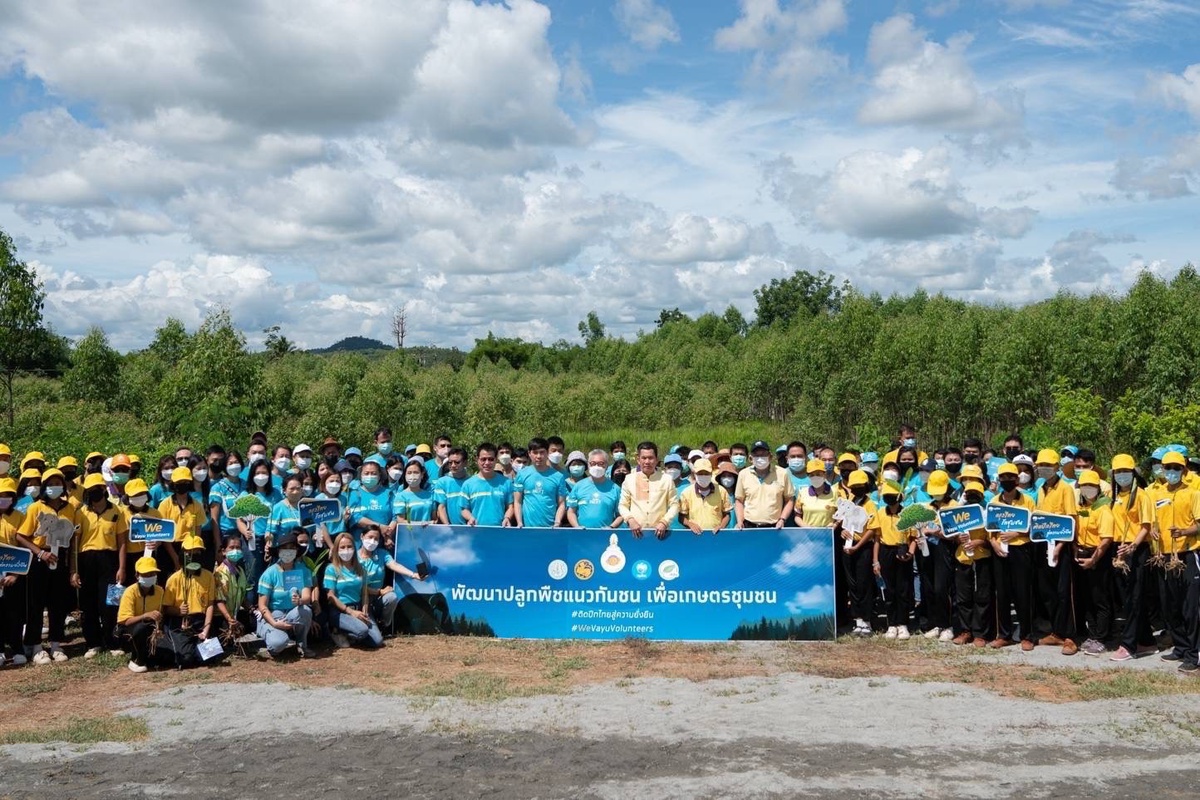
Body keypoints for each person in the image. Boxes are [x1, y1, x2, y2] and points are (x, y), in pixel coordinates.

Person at [15, 468, 79, 664]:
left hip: (60, 559)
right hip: (39, 560)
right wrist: (40, 552)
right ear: (44, 487)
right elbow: (21, 535)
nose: (55, 487)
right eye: (50, 484)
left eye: (58, 483)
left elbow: (74, 539)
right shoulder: (35, 508)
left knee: (57, 603)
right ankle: (35, 646)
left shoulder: (70, 509)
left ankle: (56, 644)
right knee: (36, 604)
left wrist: (72, 569)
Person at [1149, 450, 1200, 672]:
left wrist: (1184, 531)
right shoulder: (1157, 493)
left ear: (1184, 470)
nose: (1171, 472)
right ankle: (1180, 646)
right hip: (1164, 556)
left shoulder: (1194, 493)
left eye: (1176, 468)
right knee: (1170, 605)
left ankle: (1194, 653)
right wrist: (1152, 530)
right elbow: (1152, 521)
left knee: (1190, 607)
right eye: (1167, 467)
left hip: (1187, 554)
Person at [1108, 454, 1157, 662]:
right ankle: (1146, 641)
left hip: (1136, 549)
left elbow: (1146, 526)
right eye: (1117, 472)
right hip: (1118, 550)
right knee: (1127, 597)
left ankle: (1128, 644)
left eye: (1125, 472)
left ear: (1133, 473)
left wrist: (1132, 547)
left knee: (1134, 598)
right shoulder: (1114, 495)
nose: (1121, 475)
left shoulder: (1142, 495)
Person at [74, 473, 128, 658]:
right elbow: (75, 543)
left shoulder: (116, 511)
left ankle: (113, 641)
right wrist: (74, 570)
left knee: (111, 603)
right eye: (91, 490)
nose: (95, 492)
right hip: (86, 560)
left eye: (98, 488)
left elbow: (121, 542)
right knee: (88, 604)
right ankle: (93, 643)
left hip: (110, 560)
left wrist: (122, 567)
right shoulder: (81, 512)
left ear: (105, 489)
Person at [1035, 448, 1081, 656]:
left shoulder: (1065, 488)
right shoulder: (1041, 488)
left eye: (1048, 465)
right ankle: (1056, 631)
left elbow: (1071, 520)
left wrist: (1061, 546)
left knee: (1065, 592)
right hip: (1044, 544)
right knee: (1048, 591)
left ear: (1057, 467)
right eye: (1041, 465)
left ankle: (1071, 636)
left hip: (1062, 547)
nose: (1044, 469)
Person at [988, 463, 1037, 650]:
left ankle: (1027, 635)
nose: (1007, 480)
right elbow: (989, 531)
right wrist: (994, 544)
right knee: (1002, 593)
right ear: (999, 480)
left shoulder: (1028, 501)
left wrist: (1017, 533)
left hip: (1021, 550)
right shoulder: (993, 503)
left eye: (1011, 477)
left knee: (1023, 593)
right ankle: (1004, 635)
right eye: (1003, 477)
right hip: (999, 551)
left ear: (1017, 479)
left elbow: (1034, 527)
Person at [162, 535, 225, 665]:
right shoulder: (174, 579)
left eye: (197, 552)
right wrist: (178, 611)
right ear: (182, 554)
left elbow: (210, 605)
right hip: (180, 622)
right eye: (189, 552)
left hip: (201, 621)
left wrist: (206, 629)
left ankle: (198, 644)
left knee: (210, 657)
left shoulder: (208, 576)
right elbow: (166, 608)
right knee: (185, 659)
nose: (193, 555)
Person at [950, 471, 994, 647]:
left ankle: (980, 633)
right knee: (963, 598)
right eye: (970, 494)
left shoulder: (987, 511)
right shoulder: (958, 511)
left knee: (982, 597)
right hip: (962, 558)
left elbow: (993, 537)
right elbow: (949, 531)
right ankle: (965, 630)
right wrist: (956, 538)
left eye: (976, 494)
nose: (973, 496)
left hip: (982, 558)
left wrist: (980, 541)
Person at [1074, 470, 1115, 657]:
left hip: (1098, 555)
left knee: (1100, 598)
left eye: (1091, 486)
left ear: (1098, 488)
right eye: (1084, 486)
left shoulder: (1103, 509)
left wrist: (1094, 559)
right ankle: (1092, 634)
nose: (1087, 490)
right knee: (1087, 597)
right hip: (1081, 552)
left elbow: (1106, 540)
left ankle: (1102, 638)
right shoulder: (1080, 508)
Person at [256, 533, 315, 659]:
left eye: (292, 548)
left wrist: (299, 601)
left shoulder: (303, 570)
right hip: (274, 615)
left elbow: (307, 597)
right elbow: (262, 605)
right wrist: (275, 624)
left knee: (305, 611)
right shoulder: (269, 573)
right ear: (278, 551)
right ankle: (269, 635)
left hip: (293, 612)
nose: (288, 551)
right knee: (278, 644)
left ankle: (302, 645)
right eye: (285, 548)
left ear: (297, 551)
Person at [324, 532, 383, 649]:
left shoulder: (360, 568)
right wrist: (350, 612)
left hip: (358, 608)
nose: (346, 550)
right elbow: (330, 596)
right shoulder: (331, 569)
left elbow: (364, 591)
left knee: (377, 641)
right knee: (362, 631)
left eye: (349, 546)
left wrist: (365, 609)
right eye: (342, 547)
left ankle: (351, 635)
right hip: (340, 611)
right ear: (337, 549)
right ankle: (336, 631)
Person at [872, 480, 915, 639]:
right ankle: (891, 624)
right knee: (888, 590)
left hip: (902, 550)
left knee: (903, 589)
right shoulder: (880, 513)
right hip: (885, 551)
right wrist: (875, 561)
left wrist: (910, 554)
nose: (889, 498)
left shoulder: (908, 513)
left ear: (899, 496)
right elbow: (877, 538)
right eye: (886, 495)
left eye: (892, 495)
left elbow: (913, 538)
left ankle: (903, 624)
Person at [358, 527, 421, 633]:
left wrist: (413, 574)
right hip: (362, 600)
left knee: (392, 597)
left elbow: (394, 565)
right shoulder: (354, 557)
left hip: (378, 598)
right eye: (370, 537)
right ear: (362, 536)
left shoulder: (382, 554)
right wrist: (379, 591)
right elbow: (357, 586)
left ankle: (383, 624)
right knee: (374, 638)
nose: (372, 541)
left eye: (376, 539)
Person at [919, 470, 957, 642]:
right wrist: (923, 533)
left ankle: (947, 625)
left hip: (945, 549)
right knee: (929, 587)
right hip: (927, 550)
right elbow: (920, 528)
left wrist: (938, 533)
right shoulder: (928, 507)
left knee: (942, 588)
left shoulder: (954, 506)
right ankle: (935, 623)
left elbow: (956, 534)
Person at [840, 469, 878, 636]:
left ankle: (867, 620)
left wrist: (858, 545)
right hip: (848, 546)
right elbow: (843, 522)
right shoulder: (849, 502)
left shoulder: (869, 504)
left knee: (864, 584)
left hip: (863, 547)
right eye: (853, 486)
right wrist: (843, 532)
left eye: (859, 486)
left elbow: (872, 530)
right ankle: (858, 620)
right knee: (852, 584)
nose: (856, 489)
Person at [116, 556, 170, 672]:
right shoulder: (130, 592)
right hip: (129, 630)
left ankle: (149, 656)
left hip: (150, 629)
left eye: (152, 574)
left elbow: (160, 614)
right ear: (137, 576)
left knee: (167, 657)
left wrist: (158, 626)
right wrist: (145, 615)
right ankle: (136, 660)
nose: (150, 577)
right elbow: (124, 621)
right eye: (146, 574)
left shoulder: (159, 591)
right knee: (140, 628)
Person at [617, 441, 679, 540]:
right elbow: (623, 505)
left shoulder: (666, 479)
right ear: (638, 460)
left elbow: (675, 505)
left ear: (656, 460)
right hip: (635, 533)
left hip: (660, 534)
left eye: (650, 458)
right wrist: (630, 520)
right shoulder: (629, 479)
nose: (647, 462)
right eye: (644, 458)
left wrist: (665, 522)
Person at [734, 441, 795, 529]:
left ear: (770, 456)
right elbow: (739, 500)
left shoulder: (782, 473)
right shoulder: (743, 474)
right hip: (749, 526)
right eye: (756, 455)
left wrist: (782, 519)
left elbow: (789, 499)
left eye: (763, 455)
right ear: (751, 458)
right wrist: (740, 520)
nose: (760, 458)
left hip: (774, 527)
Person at [157, 466, 205, 574]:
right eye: (179, 482)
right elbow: (163, 534)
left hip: (189, 548)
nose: (182, 484)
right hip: (168, 549)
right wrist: (175, 558)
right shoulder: (165, 505)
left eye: (185, 482)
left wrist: (191, 552)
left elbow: (197, 532)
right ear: (173, 483)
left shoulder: (197, 505)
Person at [0, 476, 28, 666]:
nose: (4, 499)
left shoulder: (19, 517)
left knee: (14, 613)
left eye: (8, 495)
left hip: (14, 573)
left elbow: (24, 547)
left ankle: (18, 648)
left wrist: (16, 574)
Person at [514, 438, 567, 528]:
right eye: (535, 452)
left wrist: (557, 522)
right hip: (527, 528)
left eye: (542, 452)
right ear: (529, 453)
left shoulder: (558, 476)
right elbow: (517, 501)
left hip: (550, 529)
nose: (538, 456)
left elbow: (561, 504)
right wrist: (519, 522)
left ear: (547, 453)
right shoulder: (522, 474)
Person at [460, 444, 514, 526]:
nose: (487, 463)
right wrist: (470, 518)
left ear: (496, 460)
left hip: (500, 531)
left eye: (491, 459)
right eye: (483, 459)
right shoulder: (468, 484)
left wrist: (507, 518)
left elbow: (510, 506)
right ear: (477, 460)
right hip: (476, 531)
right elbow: (464, 509)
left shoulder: (506, 482)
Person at [567, 450, 622, 529]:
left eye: (601, 464)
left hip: (605, 535)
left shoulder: (615, 489)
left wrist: (611, 527)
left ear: (607, 465)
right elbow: (571, 511)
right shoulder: (578, 486)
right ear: (588, 465)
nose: (597, 466)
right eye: (593, 463)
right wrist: (576, 526)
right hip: (582, 534)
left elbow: (620, 515)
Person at [213, 533, 253, 636]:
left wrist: (252, 608)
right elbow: (219, 600)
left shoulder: (240, 571)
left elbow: (242, 595)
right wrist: (229, 619)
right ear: (224, 551)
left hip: (234, 613)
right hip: (221, 616)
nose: (235, 550)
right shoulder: (220, 572)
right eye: (231, 547)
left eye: (238, 548)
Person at [678, 459, 731, 534]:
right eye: (700, 473)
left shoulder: (721, 491)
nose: (703, 475)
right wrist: (691, 524)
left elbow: (727, 514)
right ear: (694, 473)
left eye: (706, 473)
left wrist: (721, 526)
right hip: (694, 535)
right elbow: (681, 517)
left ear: (711, 473)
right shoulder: (686, 493)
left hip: (716, 535)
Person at [794, 459, 837, 527]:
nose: (815, 477)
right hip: (808, 534)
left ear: (824, 474)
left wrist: (835, 524)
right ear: (808, 476)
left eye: (818, 474)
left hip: (827, 534)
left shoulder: (835, 492)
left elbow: (841, 515)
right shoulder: (802, 492)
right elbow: (797, 516)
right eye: (812, 475)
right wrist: (805, 526)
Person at [433, 448, 471, 525]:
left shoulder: (472, 482)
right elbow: (441, 507)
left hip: (472, 527)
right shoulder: (442, 482)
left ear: (465, 463)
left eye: (457, 462)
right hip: (451, 529)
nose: (453, 465)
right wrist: (447, 526)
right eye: (450, 462)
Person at [393, 459, 436, 525]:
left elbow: (434, 518)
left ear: (422, 475)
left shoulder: (430, 495)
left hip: (428, 533)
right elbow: (400, 520)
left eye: (416, 472)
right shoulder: (400, 496)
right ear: (405, 475)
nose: (412, 475)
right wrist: (420, 524)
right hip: (410, 533)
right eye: (409, 473)